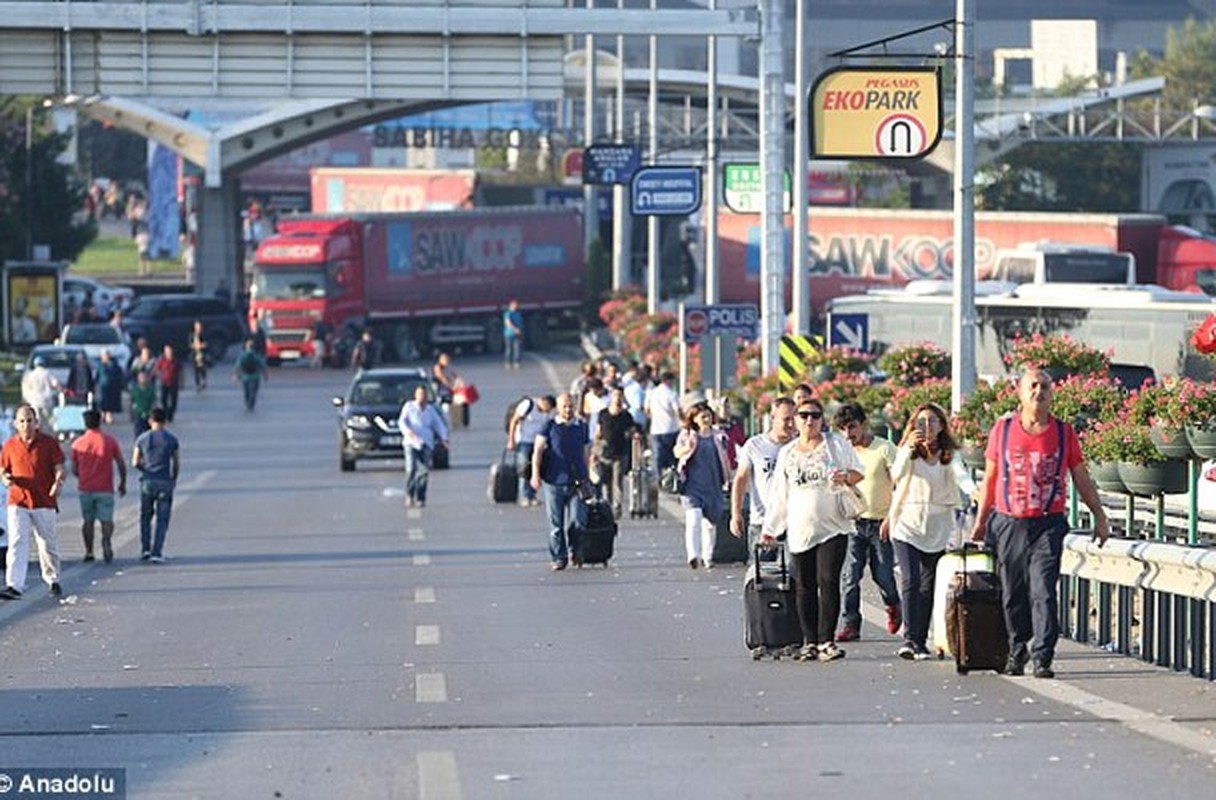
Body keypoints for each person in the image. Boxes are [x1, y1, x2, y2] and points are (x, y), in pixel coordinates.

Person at [970, 367, 1111, 679]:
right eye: (1033, 385)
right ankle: (1016, 650)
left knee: (1043, 590)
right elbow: (990, 479)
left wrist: (1100, 517)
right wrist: (980, 522)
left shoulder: (1063, 433)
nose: (1039, 391)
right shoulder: (1003, 431)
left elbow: (1081, 478)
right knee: (1012, 591)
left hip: (1048, 523)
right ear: (1020, 393)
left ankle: (1043, 656)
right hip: (1010, 522)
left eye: (1045, 386)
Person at [761, 397, 863, 663]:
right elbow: (780, 495)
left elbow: (858, 473)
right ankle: (810, 641)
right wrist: (771, 528)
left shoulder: (835, 445)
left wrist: (844, 476)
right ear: (795, 420)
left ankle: (826, 639)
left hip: (833, 526)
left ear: (822, 419)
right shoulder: (788, 453)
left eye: (815, 415)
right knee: (804, 584)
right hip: (800, 528)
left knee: (828, 580)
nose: (809, 420)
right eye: (804, 415)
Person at [882, 402, 975, 660]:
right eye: (921, 422)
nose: (927, 426)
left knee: (927, 585)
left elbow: (961, 477)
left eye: (932, 421)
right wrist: (908, 448)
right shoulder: (907, 453)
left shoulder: (949, 454)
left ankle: (921, 640)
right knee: (910, 580)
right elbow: (896, 475)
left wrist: (975, 491)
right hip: (907, 523)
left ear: (941, 425)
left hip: (937, 526)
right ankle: (910, 639)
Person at [833, 402, 903, 643]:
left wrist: (892, 517)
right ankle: (851, 623)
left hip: (880, 522)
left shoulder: (884, 449)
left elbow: (899, 483)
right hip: (853, 523)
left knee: (883, 575)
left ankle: (893, 604)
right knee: (850, 576)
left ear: (863, 424)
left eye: (852, 427)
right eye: (842, 429)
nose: (847, 434)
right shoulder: (842, 452)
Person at [0, 405, 66, 600]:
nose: (26, 425)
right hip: (18, 500)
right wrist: (5, 479)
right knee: (17, 541)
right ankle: (15, 585)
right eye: (22, 421)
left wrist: (58, 481)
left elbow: (60, 467)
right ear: (15, 424)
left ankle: (53, 580)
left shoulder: (48, 443)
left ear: (36, 423)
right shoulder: (10, 445)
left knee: (47, 544)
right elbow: (3, 468)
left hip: (44, 501)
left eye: (29, 420)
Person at [530, 392, 590, 571]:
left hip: (577, 481)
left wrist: (587, 475)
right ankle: (559, 557)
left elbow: (586, 452)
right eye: (564, 406)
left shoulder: (581, 427)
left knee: (578, 521)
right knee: (556, 525)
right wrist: (535, 474)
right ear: (557, 407)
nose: (568, 409)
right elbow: (538, 451)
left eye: (571, 406)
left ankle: (575, 551)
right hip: (554, 481)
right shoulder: (549, 426)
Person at [730, 396, 797, 555]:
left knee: (794, 575)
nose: (790, 424)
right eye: (786, 419)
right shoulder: (755, 445)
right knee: (761, 575)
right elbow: (740, 479)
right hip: (762, 522)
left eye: (794, 419)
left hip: (793, 523)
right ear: (773, 418)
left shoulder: (800, 446)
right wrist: (736, 514)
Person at [673, 402, 733, 569]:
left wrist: (729, 479)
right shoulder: (687, 435)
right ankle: (693, 555)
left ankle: (708, 556)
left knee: (710, 524)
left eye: (709, 415)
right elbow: (676, 452)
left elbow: (727, 458)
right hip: (691, 486)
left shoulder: (719, 436)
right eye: (703, 416)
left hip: (713, 485)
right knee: (693, 520)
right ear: (694, 419)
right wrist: (686, 448)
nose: (707, 419)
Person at [70, 409, 127, 564]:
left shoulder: (78, 443)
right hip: (105, 487)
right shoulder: (109, 441)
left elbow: (74, 468)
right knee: (106, 519)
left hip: (86, 488)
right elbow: (120, 463)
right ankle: (106, 540)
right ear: (99, 421)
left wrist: (82, 476)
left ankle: (89, 551)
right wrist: (123, 482)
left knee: (87, 521)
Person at [132, 407, 180, 563]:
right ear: (165, 421)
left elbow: (134, 462)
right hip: (164, 481)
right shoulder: (172, 439)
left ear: (150, 421)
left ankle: (145, 548)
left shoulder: (142, 439)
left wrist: (145, 469)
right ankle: (157, 551)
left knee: (145, 516)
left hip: (147, 481)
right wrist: (173, 478)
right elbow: (176, 463)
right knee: (162, 518)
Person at [397, 384, 449, 509]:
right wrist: (408, 431)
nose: (422, 397)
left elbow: (439, 425)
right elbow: (402, 422)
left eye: (424, 395)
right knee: (411, 469)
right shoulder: (409, 407)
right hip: (411, 442)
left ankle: (420, 497)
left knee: (423, 471)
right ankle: (410, 494)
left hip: (426, 443)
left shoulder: (430, 410)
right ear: (416, 395)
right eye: (419, 394)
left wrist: (444, 439)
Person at [593, 387, 640, 518]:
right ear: (611, 397)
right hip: (604, 453)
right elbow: (598, 433)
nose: (617, 399)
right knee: (606, 482)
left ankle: (617, 507)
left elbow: (632, 431)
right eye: (615, 396)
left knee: (617, 481)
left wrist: (635, 435)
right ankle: (607, 505)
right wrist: (594, 451)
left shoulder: (626, 416)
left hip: (620, 453)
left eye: (620, 396)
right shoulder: (603, 414)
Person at [508, 394, 554, 508]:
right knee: (524, 468)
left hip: (538, 442)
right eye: (546, 408)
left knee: (535, 469)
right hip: (524, 441)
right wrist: (511, 440)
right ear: (542, 402)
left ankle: (532, 495)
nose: (546, 411)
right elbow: (514, 420)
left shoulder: (548, 412)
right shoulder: (528, 405)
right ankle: (524, 496)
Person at [644, 370, 682, 475]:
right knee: (672, 457)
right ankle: (671, 479)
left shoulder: (651, 393)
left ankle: (657, 479)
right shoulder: (672, 394)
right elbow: (678, 411)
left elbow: (646, 410)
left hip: (655, 429)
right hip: (671, 428)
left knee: (657, 457)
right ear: (669, 381)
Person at [21, 355, 59, 431]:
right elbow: (56, 384)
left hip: (35, 401)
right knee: (49, 422)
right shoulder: (47, 373)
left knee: (36, 421)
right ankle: (49, 437)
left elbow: (25, 388)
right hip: (47, 400)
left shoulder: (30, 375)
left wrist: (27, 400)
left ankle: (37, 436)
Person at [233, 339, 269, 411]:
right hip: (255, 376)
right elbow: (263, 366)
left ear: (246, 347)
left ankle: (247, 403)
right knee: (253, 392)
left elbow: (238, 365)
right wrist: (265, 375)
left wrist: (235, 375)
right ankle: (251, 405)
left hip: (245, 376)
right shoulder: (257, 356)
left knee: (247, 391)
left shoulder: (242, 355)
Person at [152, 344, 181, 422]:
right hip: (164, 382)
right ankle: (165, 414)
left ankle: (170, 415)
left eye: (170, 351)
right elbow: (156, 369)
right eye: (167, 351)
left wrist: (181, 382)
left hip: (174, 383)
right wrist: (157, 376)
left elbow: (181, 372)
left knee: (173, 401)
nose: (169, 353)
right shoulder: (161, 360)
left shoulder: (176, 361)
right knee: (163, 400)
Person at [96, 350, 125, 425]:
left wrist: (121, 385)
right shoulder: (100, 366)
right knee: (103, 402)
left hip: (113, 386)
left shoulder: (114, 365)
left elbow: (119, 375)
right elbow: (97, 376)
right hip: (103, 387)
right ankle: (103, 415)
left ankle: (109, 416)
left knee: (110, 402)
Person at [129, 370, 156, 437]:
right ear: (138, 379)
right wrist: (131, 414)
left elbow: (154, 402)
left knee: (149, 433)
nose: (142, 379)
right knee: (138, 432)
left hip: (148, 414)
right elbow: (131, 402)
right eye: (141, 377)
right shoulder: (135, 390)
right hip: (138, 413)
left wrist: (154, 414)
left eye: (144, 377)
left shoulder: (151, 389)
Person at [502, 299, 524, 369]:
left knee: (517, 349)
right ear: (510, 306)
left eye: (516, 305)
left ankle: (517, 363)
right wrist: (515, 329)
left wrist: (520, 330)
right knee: (509, 349)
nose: (515, 307)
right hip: (509, 334)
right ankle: (508, 363)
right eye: (514, 305)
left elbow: (520, 323)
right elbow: (507, 323)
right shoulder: (508, 313)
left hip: (517, 334)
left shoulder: (518, 314)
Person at [189, 320, 209, 391]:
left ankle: (204, 381)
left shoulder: (204, 335)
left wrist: (201, 346)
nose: (198, 328)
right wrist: (194, 346)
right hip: (195, 355)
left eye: (199, 327)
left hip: (202, 354)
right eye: (196, 327)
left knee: (203, 369)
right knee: (196, 370)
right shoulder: (192, 335)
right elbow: (190, 344)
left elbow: (206, 344)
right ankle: (197, 384)